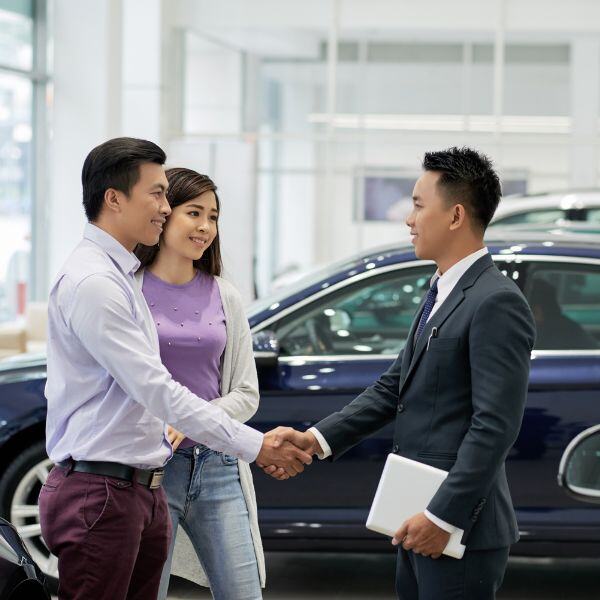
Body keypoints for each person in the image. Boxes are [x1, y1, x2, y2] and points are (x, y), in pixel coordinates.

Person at [39, 138, 310, 600]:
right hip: (103, 491)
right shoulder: (97, 284)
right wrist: (257, 445)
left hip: (141, 485)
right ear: (114, 198)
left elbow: (176, 390)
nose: (165, 208)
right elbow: (156, 389)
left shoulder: (119, 277)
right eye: (159, 194)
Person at [263, 147, 536, 599]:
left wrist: (442, 517)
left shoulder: (495, 301)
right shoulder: (443, 289)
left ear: (455, 216)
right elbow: (395, 387)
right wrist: (316, 441)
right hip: (417, 516)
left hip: (456, 528)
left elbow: (495, 426)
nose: (409, 220)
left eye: (418, 205)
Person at [133, 168, 263, 599]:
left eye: (213, 216)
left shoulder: (224, 294)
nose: (206, 226)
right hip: (150, 470)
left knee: (243, 593)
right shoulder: (127, 290)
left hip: (218, 466)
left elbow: (246, 394)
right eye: (194, 213)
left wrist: (192, 422)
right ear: (165, 214)